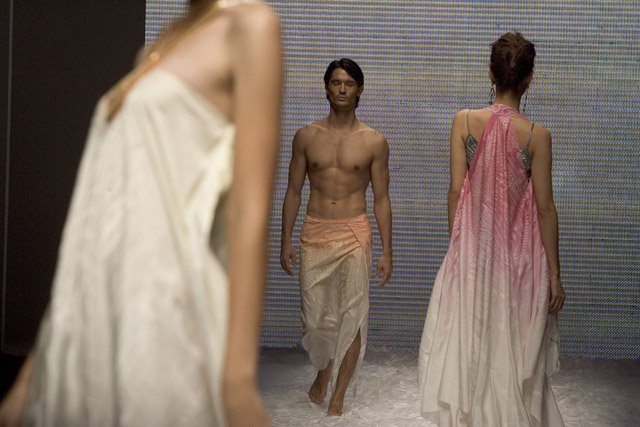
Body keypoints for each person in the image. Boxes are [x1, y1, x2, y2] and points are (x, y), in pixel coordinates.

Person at [0, 1, 281, 426]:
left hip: (165, 313)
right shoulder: (161, 43)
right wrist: (31, 372)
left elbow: (248, 211)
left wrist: (238, 379)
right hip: (99, 309)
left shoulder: (249, 26)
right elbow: (94, 223)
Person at [418, 31, 566, 426]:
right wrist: (554, 275)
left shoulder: (464, 122)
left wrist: (459, 249)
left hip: (473, 254)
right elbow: (545, 209)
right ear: (529, 79)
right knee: (512, 343)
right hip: (520, 260)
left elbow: (455, 190)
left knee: (470, 339)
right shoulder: (537, 136)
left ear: (490, 73)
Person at [280, 58, 393, 416]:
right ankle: (323, 369)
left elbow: (382, 198)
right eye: (336, 82)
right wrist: (285, 239)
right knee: (315, 318)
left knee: (352, 314)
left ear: (360, 90)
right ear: (326, 88)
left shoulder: (374, 141)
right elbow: (293, 190)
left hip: (354, 232)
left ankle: (339, 392)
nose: (342, 89)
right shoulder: (306, 136)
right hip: (314, 230)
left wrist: (387, 250)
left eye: (349, 83)